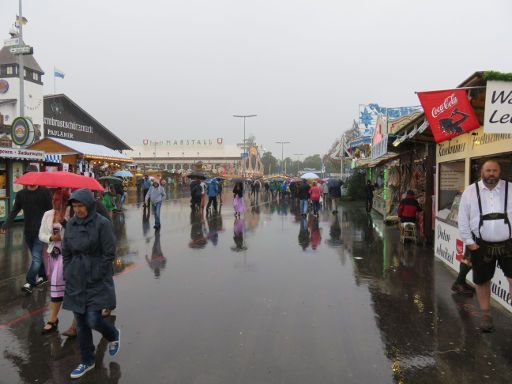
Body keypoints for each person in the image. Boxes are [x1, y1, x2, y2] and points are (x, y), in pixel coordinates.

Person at [62, 189, 120, 379]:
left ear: (89, 205)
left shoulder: (102, 224)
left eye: (81, 205)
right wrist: (68, 270)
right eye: (75, 206)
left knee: (93, 319)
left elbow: (109, 252)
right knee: (80, 322)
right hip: (76, 277)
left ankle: (113, 335)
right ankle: (87, 360)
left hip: (96, 277)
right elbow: (66, 251)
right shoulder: (70, 224)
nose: (78, 210)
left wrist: (97, 273)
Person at [458, 160, 512, 333]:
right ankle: (486, 314)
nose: (491, 174)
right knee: (482, 281)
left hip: (509, 244)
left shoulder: (510, 188)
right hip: (481, 245)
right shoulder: (470, 191)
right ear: (482, 171)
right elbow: (463, 218)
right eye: (488, 170)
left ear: (499, 171)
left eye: (494, 170)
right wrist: (470, 243)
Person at [1, 165, 52, 293]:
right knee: (37, 256)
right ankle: (44, 276)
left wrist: (52, 227)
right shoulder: (21, 194)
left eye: (33, 174)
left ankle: (30, 282)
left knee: (35, 257)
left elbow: (51, 211)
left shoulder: (45, 192)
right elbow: (14, 211)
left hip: (42, 232)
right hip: (28, 231)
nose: (30, 177)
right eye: (28, 174)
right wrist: (5, 225)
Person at [39, 189, 70, 334]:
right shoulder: (48, 214)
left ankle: (52, 319)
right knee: (59, 284)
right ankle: (58, 319)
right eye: (53, 199)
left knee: (57, 282)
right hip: (52, 254)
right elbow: (41, 234)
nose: (53, 201)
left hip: (67, 255)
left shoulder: (71, 213)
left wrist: (64, 223)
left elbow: (74, 233)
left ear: (64, 201)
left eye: (57, 199)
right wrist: (51, 238)